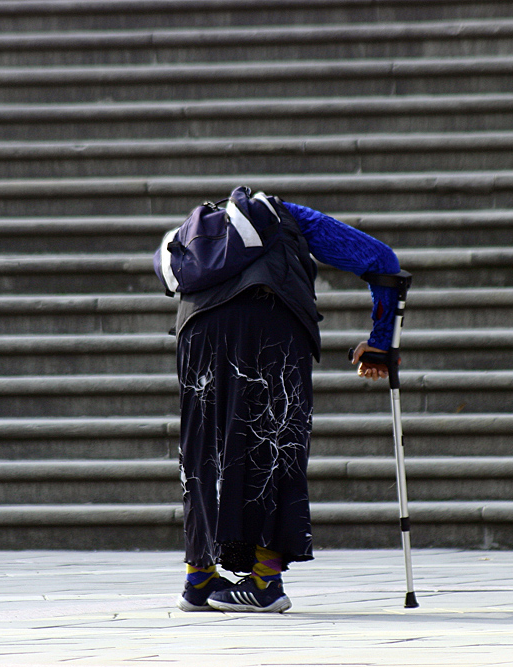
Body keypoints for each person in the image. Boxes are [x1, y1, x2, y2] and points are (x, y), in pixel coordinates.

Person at [168, 188, 400, 613]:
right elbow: (381, 261)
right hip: (270, 325)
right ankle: (264, 581)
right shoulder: (288, 216)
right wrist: (381, 344)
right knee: (271, 442)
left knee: (202, 450)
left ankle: (198, 578)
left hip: (195, 331)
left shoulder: (190, 233)